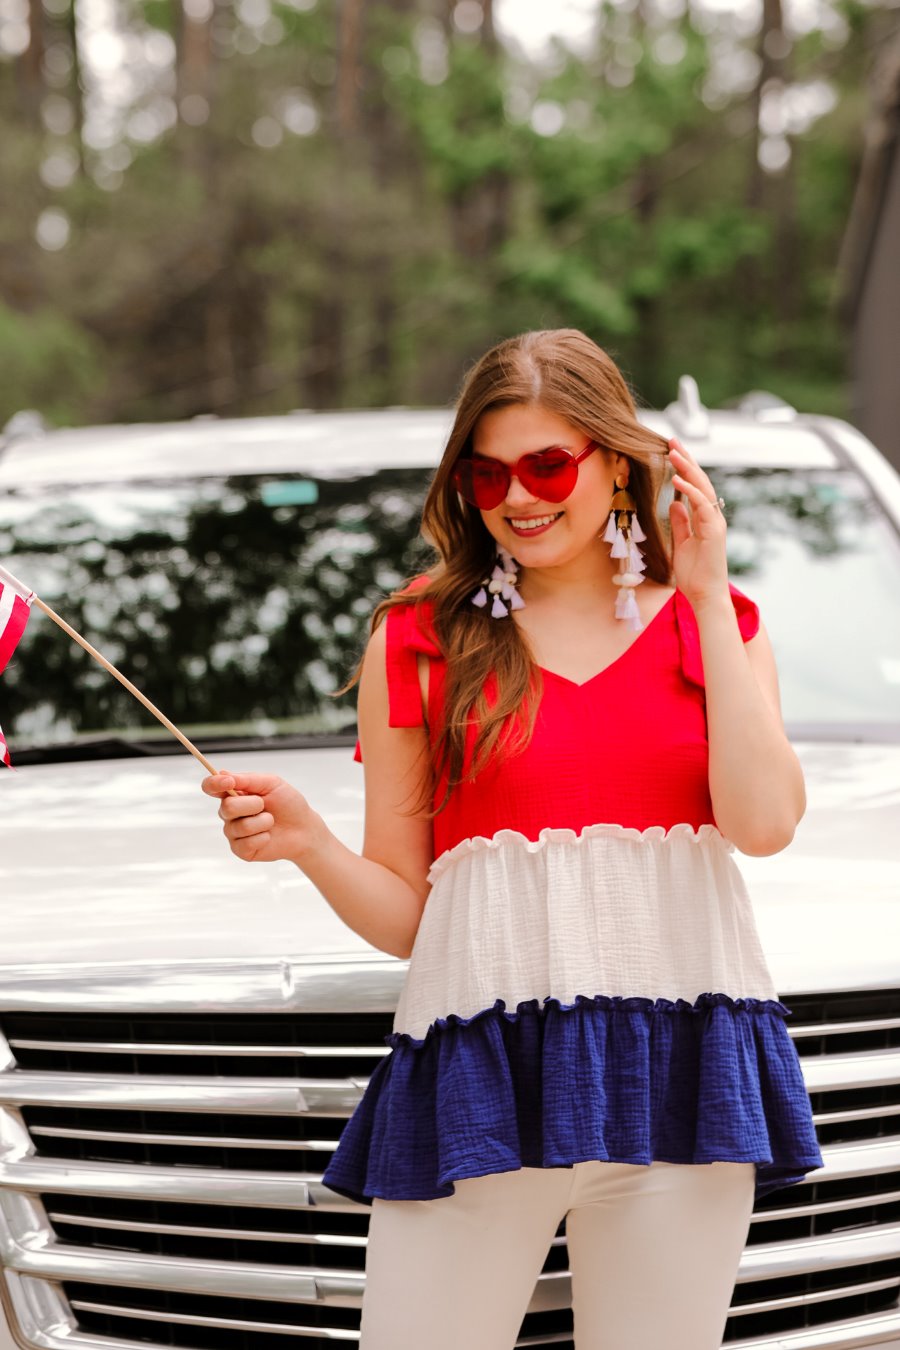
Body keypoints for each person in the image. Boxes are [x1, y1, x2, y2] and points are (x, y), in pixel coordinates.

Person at [202, 328, 824, 1350]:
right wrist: (308, 841)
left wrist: (708, 594)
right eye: (486, 473)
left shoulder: (716, 622)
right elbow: (411, 919)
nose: (517, 497)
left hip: (681, 1083)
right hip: (478, 1080)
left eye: (547, 464)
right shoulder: (416, 636)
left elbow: (764, 825)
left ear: (617, 464)